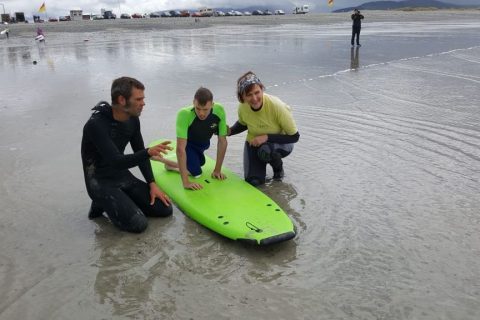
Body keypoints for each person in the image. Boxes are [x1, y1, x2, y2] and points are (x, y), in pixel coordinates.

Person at [81, 76, 173, 233]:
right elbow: (116, 161)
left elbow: (139, 151)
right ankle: (101, 202)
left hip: (121, 176)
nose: (143, 103)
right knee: (138, 224)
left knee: (164, 210)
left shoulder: (133, 120)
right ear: (122, 100)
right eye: (139, 99)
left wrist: (152, 183)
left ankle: (119, 200)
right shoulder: (95, 124)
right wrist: (148, 152)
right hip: (99, 181)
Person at [228, 71, 300, 186]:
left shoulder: (277, 106)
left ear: (262, 89)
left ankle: (278, 171)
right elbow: (243, 123)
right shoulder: (243, 107)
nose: (254, 98)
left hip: (280, 144)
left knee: (266, 149)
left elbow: (295, 137)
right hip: (254, 143)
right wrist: (230, 131)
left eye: (257, 92)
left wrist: (266, 137)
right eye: (249, 95)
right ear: (242, 96)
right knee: (254, 182)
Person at [153, 87, 228, 190]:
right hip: (189, 145)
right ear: (193, 103)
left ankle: (169, 165)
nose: (201, 113)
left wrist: (217, 170)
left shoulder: (219, 110)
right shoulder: (184, 114)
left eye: (205, 109)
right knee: (196, 173)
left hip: (203, 145)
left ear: (212, 105)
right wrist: (186, 182)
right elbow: (180, 149)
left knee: (200, 163)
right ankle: (162, 160)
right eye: (198, 108)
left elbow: (222, 141)